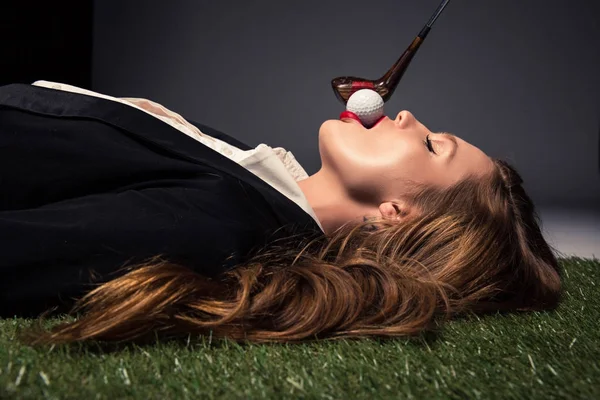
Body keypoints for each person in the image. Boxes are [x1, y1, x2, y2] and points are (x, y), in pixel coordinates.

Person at [0, 81, 562, 346]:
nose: (410, 115)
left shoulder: (220, 218)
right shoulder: (253, 175)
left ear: (397, 215)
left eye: (434, 145)